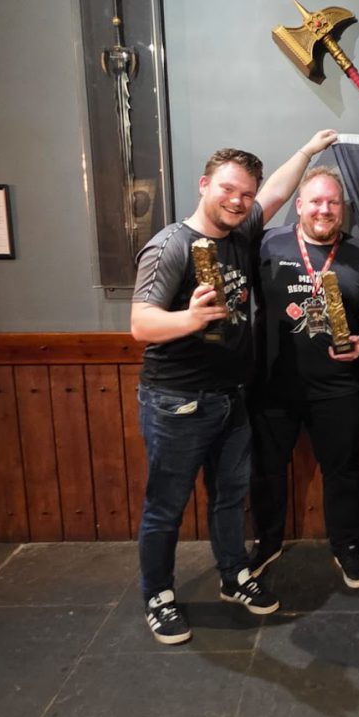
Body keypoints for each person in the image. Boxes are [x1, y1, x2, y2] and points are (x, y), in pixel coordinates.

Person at [130, 130, 337, 645]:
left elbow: (279, 192)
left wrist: (308, 151)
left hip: (232, 398)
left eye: (245, 193)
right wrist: (191, 319)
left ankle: (233, 575)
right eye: (228, 189)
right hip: (176, 401)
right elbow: (140, 324)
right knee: (166, 506)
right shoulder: (170, 245)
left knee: (229, 498)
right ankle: (157, 595)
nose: (238, 201)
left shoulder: (240, 232)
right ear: (204, 185)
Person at [248, 166, 359, 588]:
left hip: (339, 386)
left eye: (333, 202)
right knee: (267, 469)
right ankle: (267, 543)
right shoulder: (267, 244)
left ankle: (347, 546)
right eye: (316, 201)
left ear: (343, 209)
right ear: (300, 205)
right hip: (273, 384)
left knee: (343, 472)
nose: (324, 209)